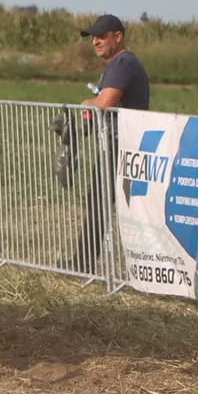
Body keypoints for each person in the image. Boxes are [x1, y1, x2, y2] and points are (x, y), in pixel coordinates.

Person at [63, 14, 151, 272]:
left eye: (101, 36)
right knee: (102, 203)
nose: (95, 42)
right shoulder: (118, 63)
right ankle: (86, 261)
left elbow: (105, 103)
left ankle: (83, 263)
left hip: (120, 144)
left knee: (100, 203)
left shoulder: (123, 62)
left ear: (118, 36)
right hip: (119, 143)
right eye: (93, 37)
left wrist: (86, 104)